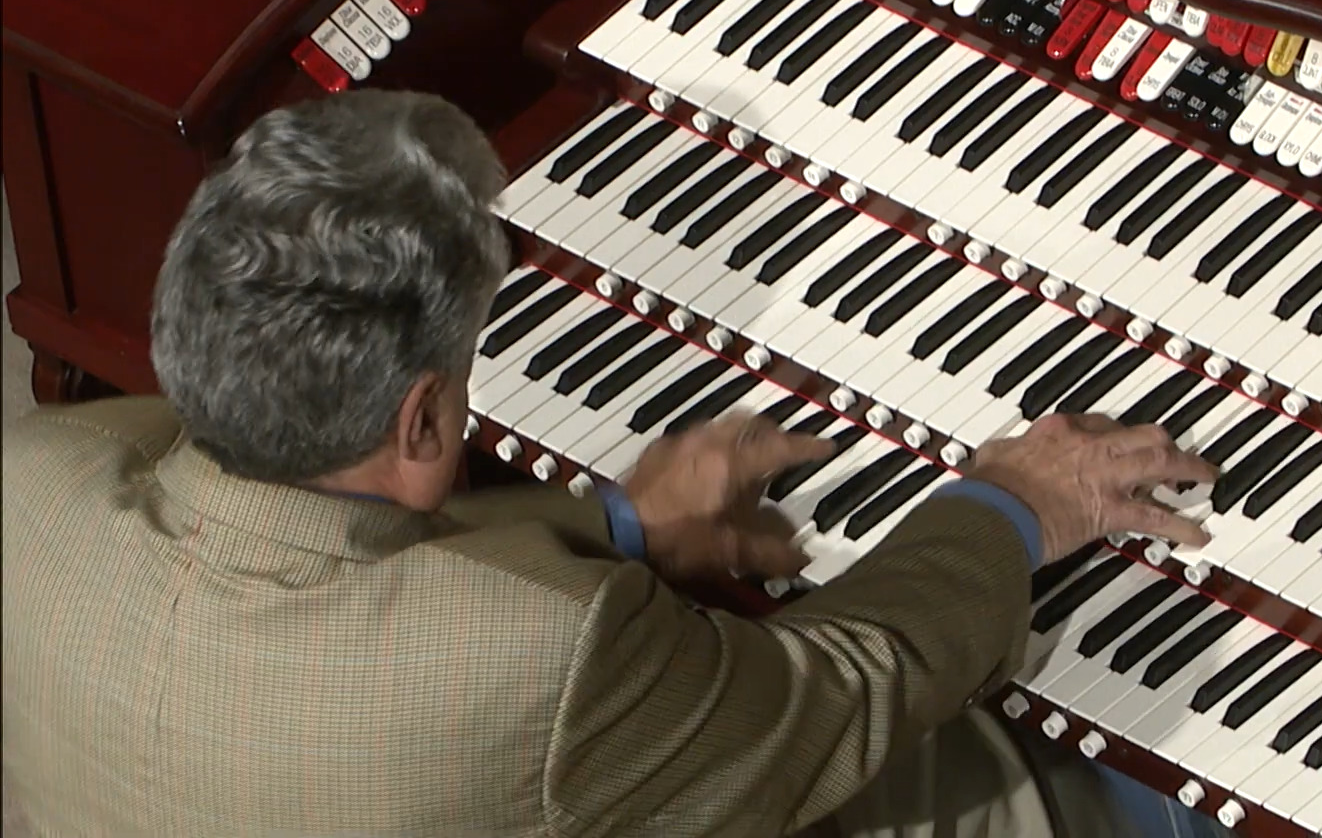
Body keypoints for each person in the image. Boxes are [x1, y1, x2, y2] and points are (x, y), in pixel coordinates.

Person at [2, 90, 1227, 837]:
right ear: (422, 424)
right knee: (1132, 793)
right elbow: (839, 693)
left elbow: (311, 563)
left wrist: (621, 524)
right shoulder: (537, 659)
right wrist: (1014, 501)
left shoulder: (30, 485)